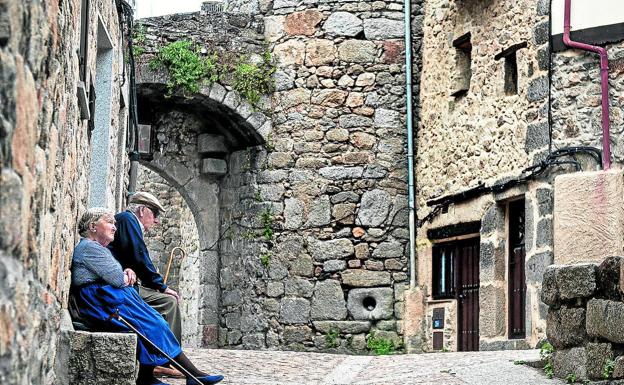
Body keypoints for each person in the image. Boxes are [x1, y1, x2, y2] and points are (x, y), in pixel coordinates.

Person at [70, 207, 223, 385]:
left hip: (110, 300)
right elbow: (117, 278)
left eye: (114, 223)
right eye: (110, 222)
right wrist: (125, 274)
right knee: (154, 324)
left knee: (154, 322)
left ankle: (152, 377)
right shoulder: (90, 248)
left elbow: (117, 274)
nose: (114, 227)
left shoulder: (96, 248)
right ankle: (193, 375)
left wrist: (125, 272)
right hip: (103, 304)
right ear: (93, 226)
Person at [107, 192, 182, 344]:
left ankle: (165, 353)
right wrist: (161, 286)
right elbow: (139, 255)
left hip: (123, 285)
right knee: (169, 302)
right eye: (154, 214)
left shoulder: (126, 221)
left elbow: (136, 257)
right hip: (120, 288)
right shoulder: (128, 220)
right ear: (142, 210)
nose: (156, 221)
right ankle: (170, 358)